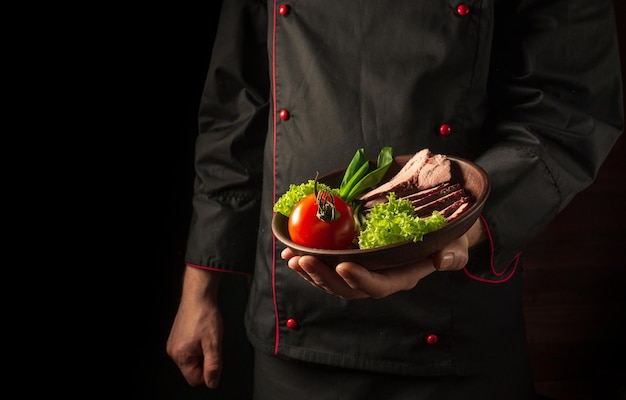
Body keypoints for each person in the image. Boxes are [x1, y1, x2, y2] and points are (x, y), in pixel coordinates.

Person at [166, 0, 624, 399]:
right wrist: (198, 288)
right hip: (297, 323)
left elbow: (568, 109)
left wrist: (457, 232)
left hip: (453, 318)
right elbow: (236, 104)